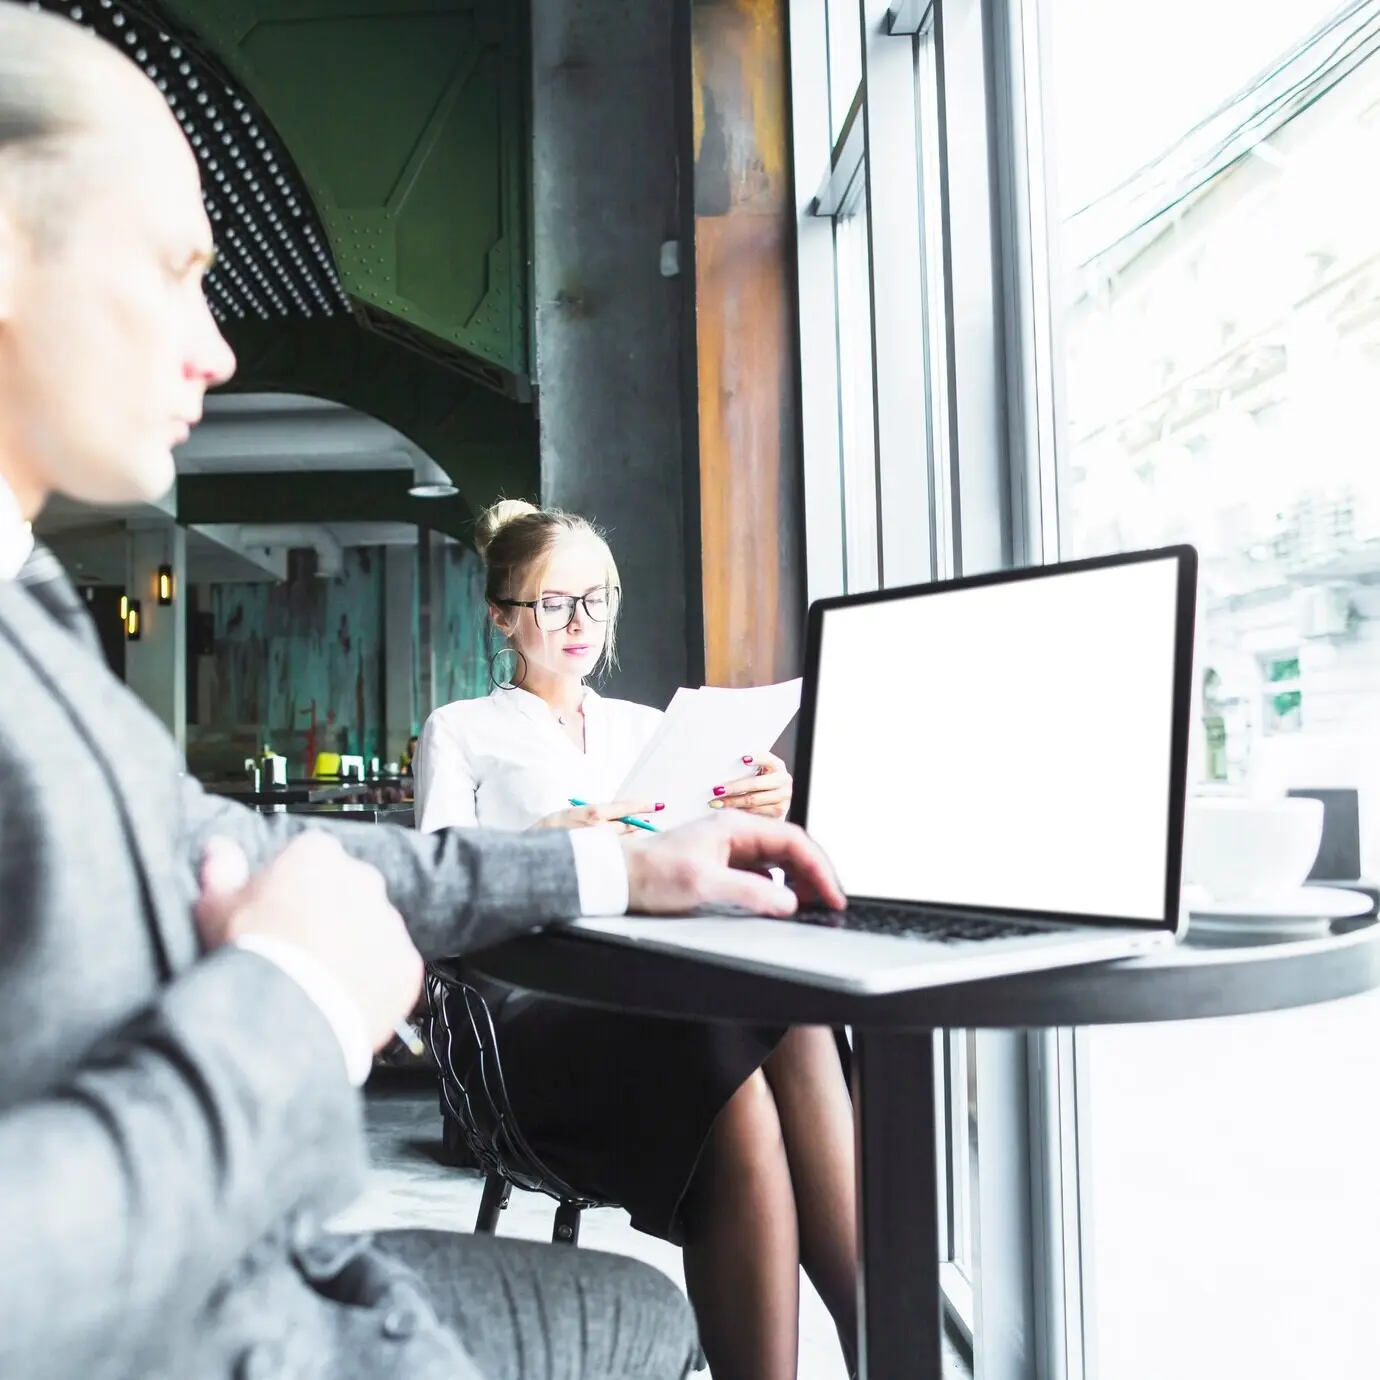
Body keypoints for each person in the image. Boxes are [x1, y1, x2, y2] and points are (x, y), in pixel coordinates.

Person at [0, 10, 848, 1380]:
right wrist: (289, 1003)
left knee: (651, 1295)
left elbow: (250, 848)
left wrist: (627, 868)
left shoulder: (29, 603)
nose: (219, 351)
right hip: (201, 1306)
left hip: (266, 1253)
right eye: (174, 271)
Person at [415, 500, 859, 1380]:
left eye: (598, 600)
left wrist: (765, 801)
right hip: (535, 1008)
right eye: (553, 603)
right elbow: (433, 894)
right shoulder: (462, 731)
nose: (580, 623)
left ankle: (885, 1349)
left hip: (658, 980)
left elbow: (707, 856)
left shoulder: (645, 728)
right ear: (504, 615)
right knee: (725, 1066)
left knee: (791, 1022)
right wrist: (552, 832)